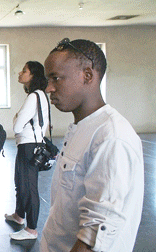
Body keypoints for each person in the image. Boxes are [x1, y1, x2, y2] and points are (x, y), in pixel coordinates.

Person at [41, 38, 144, 252]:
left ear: (87, 75)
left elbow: (94, 235)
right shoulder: (82, 127)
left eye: (56, 78)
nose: (49, 88)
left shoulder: (111, 136)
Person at [4, 61, 49, 240]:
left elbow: (17, 126)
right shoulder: (39, 95)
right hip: (29, 145)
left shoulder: (34, 97)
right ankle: (18, 216)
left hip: (28, 146)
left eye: (24, 71)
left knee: (29, 188)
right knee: (21, 182)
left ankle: (31, 229)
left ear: (33, 76)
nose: (20, 73)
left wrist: (16, 118)